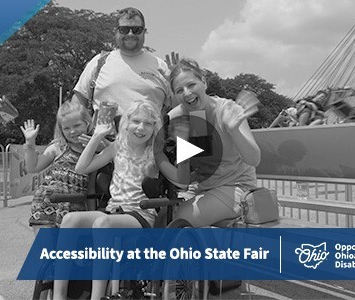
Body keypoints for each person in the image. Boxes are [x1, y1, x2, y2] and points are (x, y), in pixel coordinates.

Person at [53, 100, 184, 299]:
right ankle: (59, 296)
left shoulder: (155, 153)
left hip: (140, 214)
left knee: (102, 223)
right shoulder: (117, 147)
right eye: (136, 121)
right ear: (126, 123)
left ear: (155, 127)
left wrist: (186, 149)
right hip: (114, 210)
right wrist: (97, 135)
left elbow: (181, 183)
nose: (141, 128)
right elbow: (81, 168)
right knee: (70, 219)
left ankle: (96, 297)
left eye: (148, 123)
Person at [167, 58, 261, 228]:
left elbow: (254, 160)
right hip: (203, 188)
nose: (187, 93)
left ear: (204, 82)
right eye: (179, 90)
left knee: (181, 218)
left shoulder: (227, 110)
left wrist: (233, 131)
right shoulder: (177, 117)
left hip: (236, 186)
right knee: (161, 213)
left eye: (191, 85)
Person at [71, 7, 173, 117]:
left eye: (136, 30)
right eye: (124, 29)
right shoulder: (99, 62)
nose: (130, 34)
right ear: (116, 32)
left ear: (144, 32)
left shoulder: (161, 66)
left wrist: (175, 83)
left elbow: (177, 107)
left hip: (148, 133)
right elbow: (78, 102)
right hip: (104, 133)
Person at [21, 100, 94, 227]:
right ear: (61, 129)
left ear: (87, 124)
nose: (72, 132)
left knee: (68, 247)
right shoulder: (58, 147)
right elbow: (32, 167)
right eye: (66, 128)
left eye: (77, 125)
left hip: (75, 208)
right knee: (45, 246)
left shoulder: (94, 151)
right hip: (47, 203)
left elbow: (92, 186)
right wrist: (30, 142)